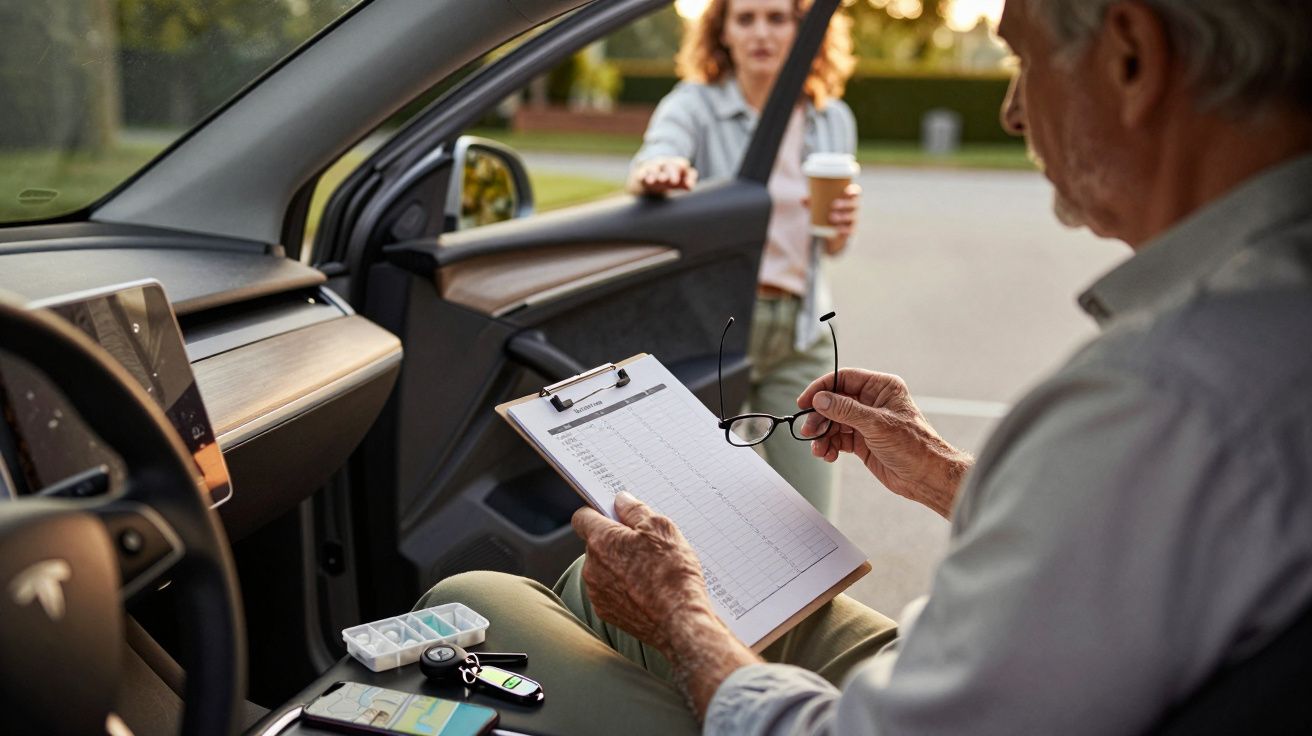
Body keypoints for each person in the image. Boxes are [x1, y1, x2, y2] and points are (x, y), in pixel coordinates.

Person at [416, 0, 1312, 733]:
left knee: (478, 594)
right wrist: (943, 476)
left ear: (1129, 57)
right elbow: (1131, 549)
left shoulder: (1160, 395)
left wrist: (685, 618)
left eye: (1022, 61)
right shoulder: (1263, 332)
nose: (1010, 111)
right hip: (1023, 674)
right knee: (631, 586)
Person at [627, 0, 859, 517]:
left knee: (812, 524)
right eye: (746, 18)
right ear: (722, 31)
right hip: (723, 334)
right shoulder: (694, 106)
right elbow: (656, 156)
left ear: (802, 32)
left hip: (802, 338)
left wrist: (841, 227)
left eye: (778, 19)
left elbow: (831, 246)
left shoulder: (832, 118)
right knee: (727, 517)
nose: (762, 33)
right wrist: (661, 169)